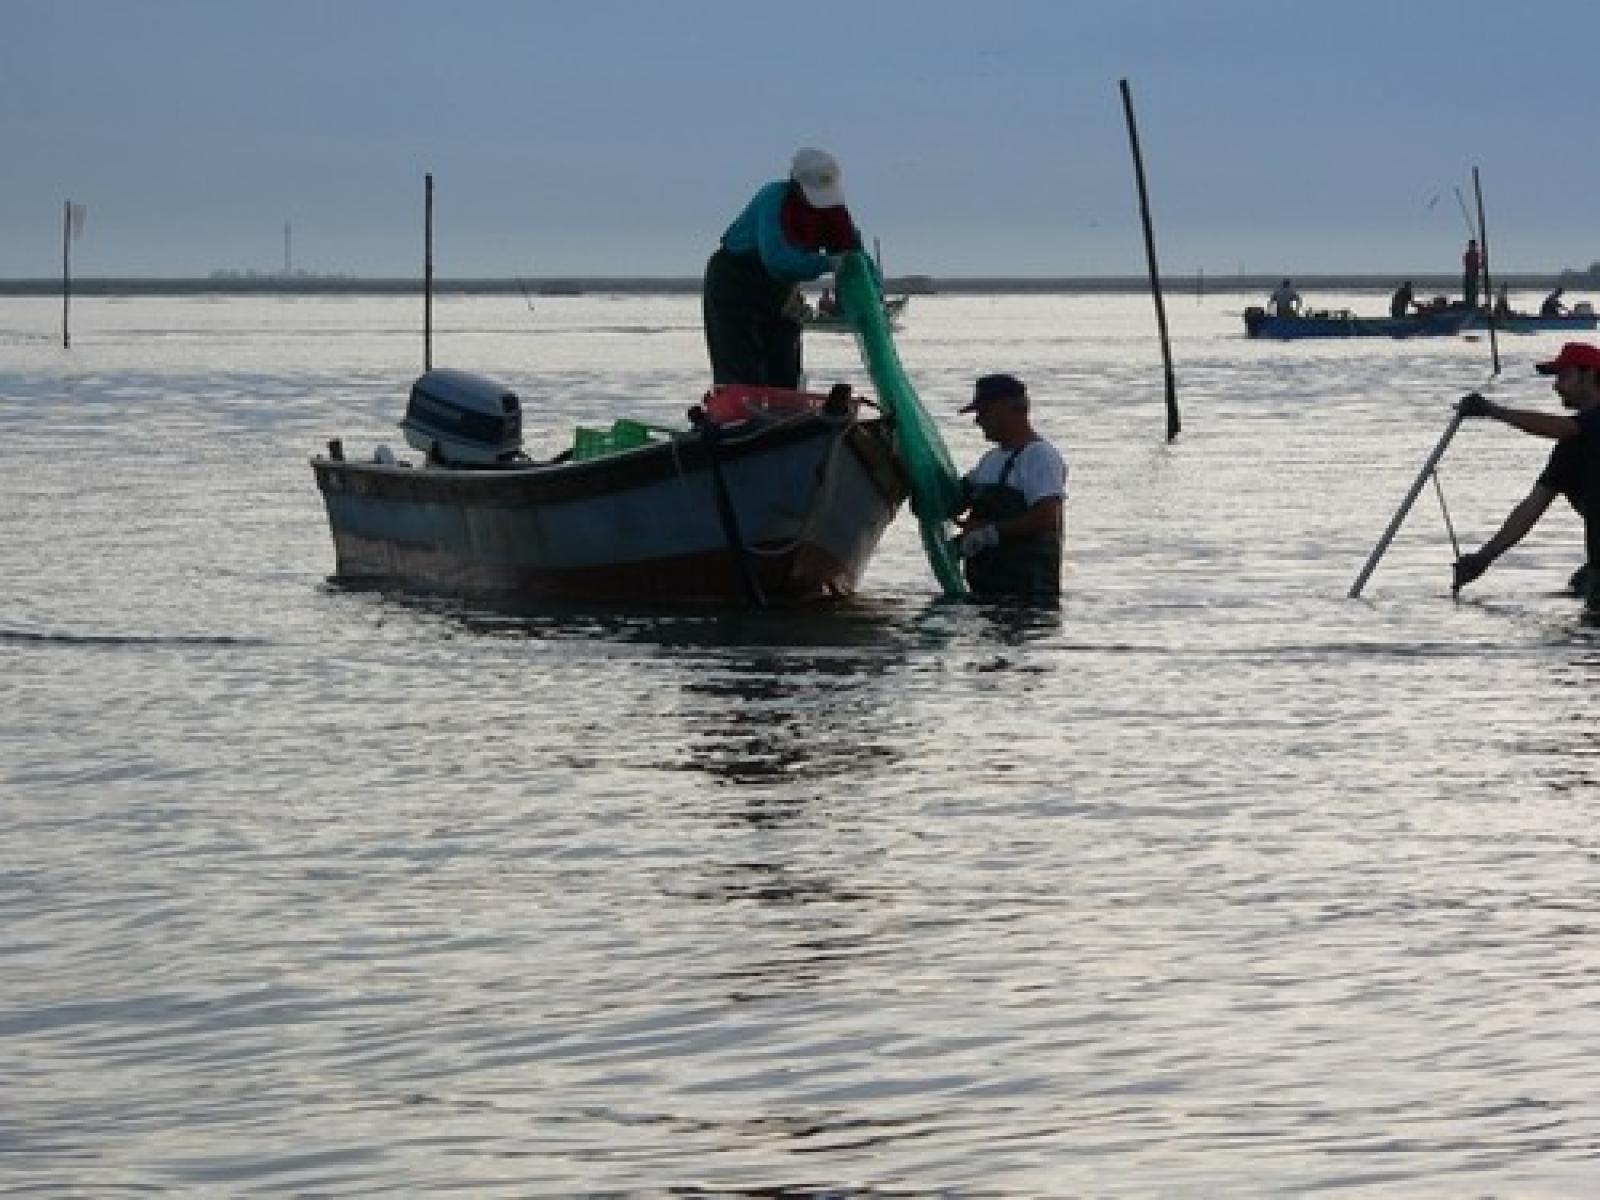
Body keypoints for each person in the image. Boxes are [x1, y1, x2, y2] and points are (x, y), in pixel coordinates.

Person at [1453, 341, 1600, 608]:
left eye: (1564, 376)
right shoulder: (1570, 447)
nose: (1556, 386)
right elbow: (1533, 506)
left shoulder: (1579, 428)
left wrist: (1493, 411)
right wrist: (1484, 558)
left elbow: (1562, 427)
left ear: (1588, 375)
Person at [702, 147, 863, 388]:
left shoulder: (834, 209)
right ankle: (740, 418)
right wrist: (827, 263)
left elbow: (853, 256)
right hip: (736, 279)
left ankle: (786, 415)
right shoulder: (774, 198)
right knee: (741, 365)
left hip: (780, 288)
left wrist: (861, 290)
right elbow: (777, 260)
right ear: (796, 184)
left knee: (784, 365)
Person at [950, 373, 1067, 600]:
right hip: (986, 592)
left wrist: (988, 533)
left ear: (1007, 408)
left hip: (1029, 596)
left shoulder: (1039, 456)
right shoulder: (989, 460)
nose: (978, 421)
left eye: (983, 412)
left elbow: (1046, 517)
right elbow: (955, 500)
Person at [1463, 238, 1482, 310]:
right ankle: (1468, 304)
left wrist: (1480, 264)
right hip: (1469, 275)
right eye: (1471, 245)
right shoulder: (1467, 254)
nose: (1472, 247)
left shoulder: (1477, 254)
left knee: (1474, 291)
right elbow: (1467, 264)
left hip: (1474, 275)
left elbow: (1479, 265)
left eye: (1473, 245)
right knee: (1468, 291)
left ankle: (1473, 304)